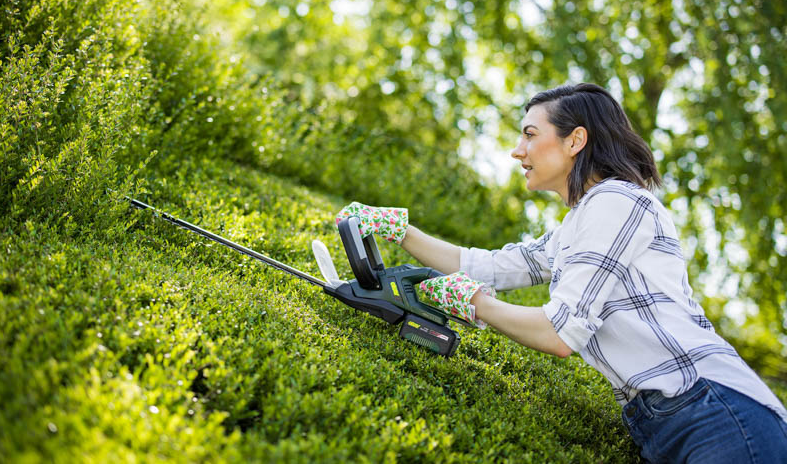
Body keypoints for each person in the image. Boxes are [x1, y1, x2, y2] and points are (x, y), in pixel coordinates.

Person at [335, 83, 787, 463]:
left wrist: (475, 303)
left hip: (714, 408)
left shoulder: (619, 201)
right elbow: (491, 266)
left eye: (530, 135)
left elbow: (559, 333)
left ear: (575, 141)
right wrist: (402, 230)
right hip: (671, 417)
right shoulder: (581, 223)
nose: (518, 151)